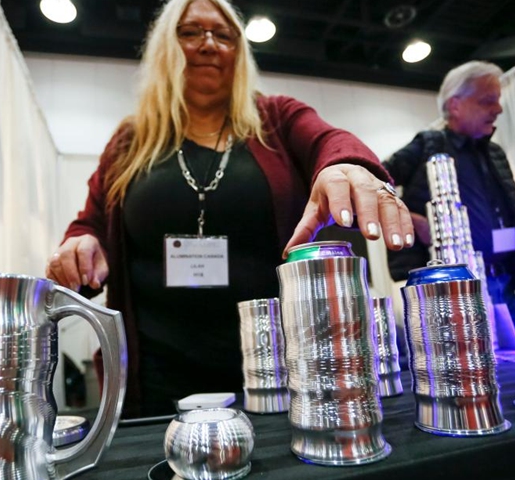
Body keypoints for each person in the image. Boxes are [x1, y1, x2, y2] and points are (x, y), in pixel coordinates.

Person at [45, 0, 413, 417]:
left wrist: (346, 165)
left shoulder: (276, 117)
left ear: (239, 53)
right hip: (155, 378)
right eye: (190, 32)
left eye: (224, 35)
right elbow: (89, 222)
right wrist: (81, 244)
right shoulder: (131, 141)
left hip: (279, 372)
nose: (209, 45)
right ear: (165, 45)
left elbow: (328, 141)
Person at [382, 61, 515, 333]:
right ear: (455, 105)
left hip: (505, 281)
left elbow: (514, 219)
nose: (498, 109)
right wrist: (413, 219)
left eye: (498, 101)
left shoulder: (495, 153)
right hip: (451, 292)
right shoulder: (428, 145)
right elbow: (376, 183)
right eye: (488, 101)